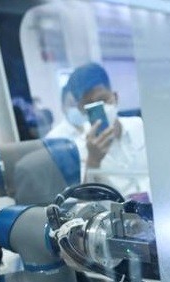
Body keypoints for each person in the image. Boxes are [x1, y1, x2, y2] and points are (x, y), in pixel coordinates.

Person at [63, 62, 148, 196]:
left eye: (103, 99)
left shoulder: (139, 126)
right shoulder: (79, 149)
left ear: (115, 97)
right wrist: (93, 161)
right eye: (90, 105)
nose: (101, 109)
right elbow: (84, 201)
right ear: (81, 109)